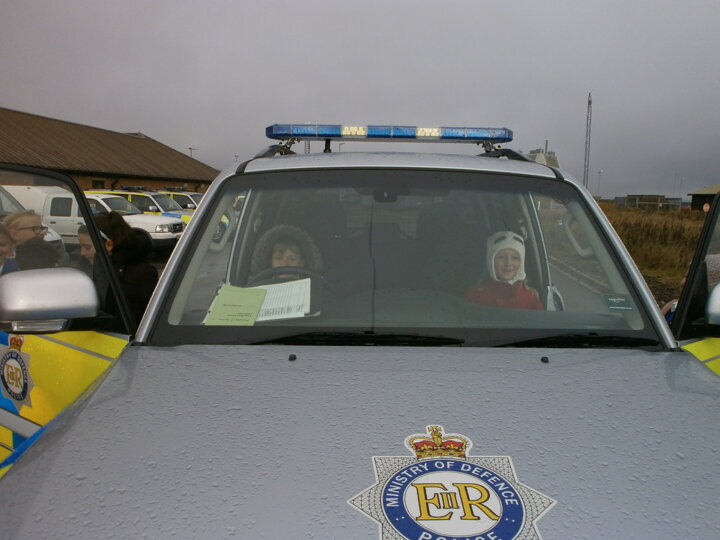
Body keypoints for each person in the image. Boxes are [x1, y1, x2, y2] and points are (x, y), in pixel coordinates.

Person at [94, 211, 158, 328]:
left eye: (87, 247)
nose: (82, 253)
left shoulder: (142, 273)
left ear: (108, 245)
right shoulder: (95, 267)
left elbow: (142, 319)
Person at [464, 230, 543, 310]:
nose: (508, 263)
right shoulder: (475, 296)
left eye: (515, 258)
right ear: (491, 261)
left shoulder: (530, 297)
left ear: (521, 263)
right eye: (501, 257)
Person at [249, 224, 323, 281]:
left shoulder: (312, 290)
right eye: (278, 258)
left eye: (292, 259)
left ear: (301, 263)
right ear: (270, 261)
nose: (285, 264)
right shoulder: (259, 288)